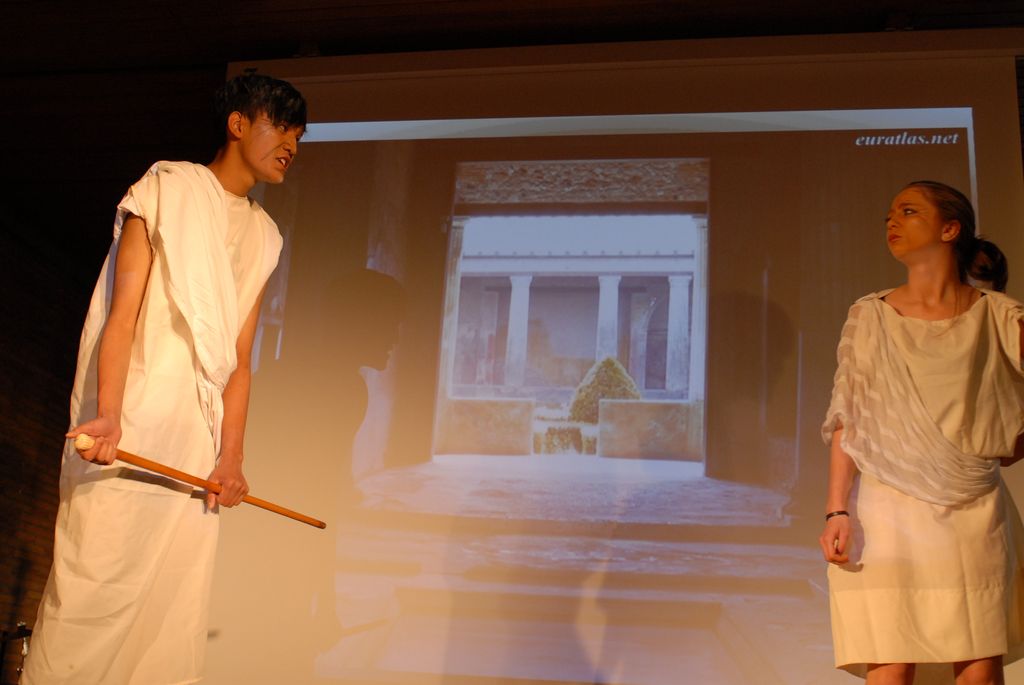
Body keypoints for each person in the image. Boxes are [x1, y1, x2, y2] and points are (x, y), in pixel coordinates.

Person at [22, 73, 306, 684]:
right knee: (94, 593)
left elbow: (240, 359)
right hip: (131, 426)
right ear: (238, 123)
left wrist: (230, 458)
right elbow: (121, 314)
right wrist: (109, 412)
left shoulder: (265, 235)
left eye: (298, 136)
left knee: (169, 616)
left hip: (195, 441)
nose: (290, 144)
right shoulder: (167, 187)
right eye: (280, 126)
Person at [819, 180, 1024, 685]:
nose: (892, 221)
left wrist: (1015, 442)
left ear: (950, 229)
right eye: (889, 214)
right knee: (890, 662)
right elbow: (849, 418)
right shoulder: (871, 315)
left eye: (909, 211)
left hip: (973, 511)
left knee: (977, 665)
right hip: (888, 509)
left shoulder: (998, 314)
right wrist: (837, 509)